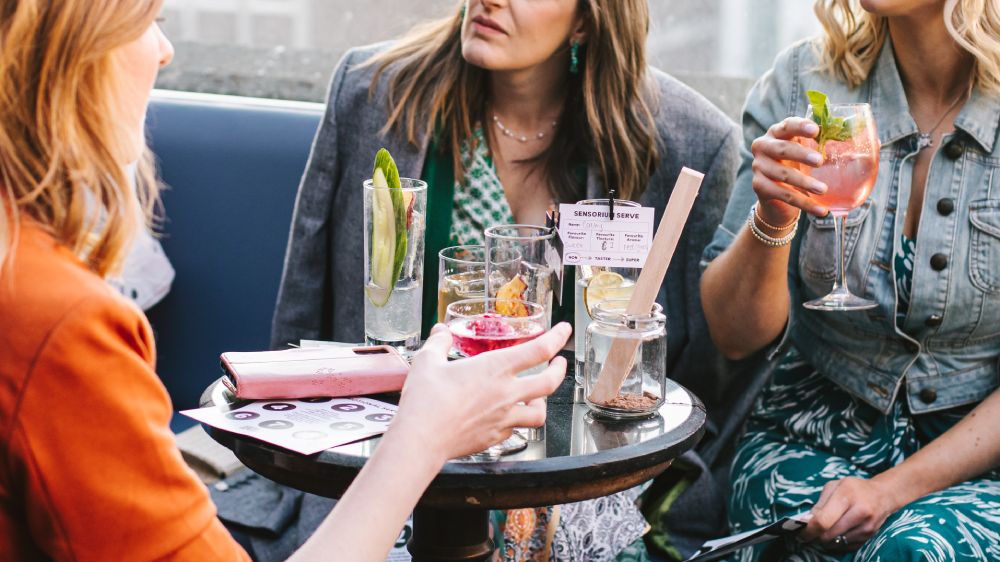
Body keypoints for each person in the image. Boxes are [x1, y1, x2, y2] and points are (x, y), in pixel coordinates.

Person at [0, 1, 571, 561]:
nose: (166, 51)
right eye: (152, 21)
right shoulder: (61, 325)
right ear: (73, 51)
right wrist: (424, 435)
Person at [271, 0, 743, 559]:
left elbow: (701, 383)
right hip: (391, 464)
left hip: (585, 483)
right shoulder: (372, 92)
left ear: (590, 18)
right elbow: (299, 319)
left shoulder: (689, 141)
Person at [700, 0, 1000, 559]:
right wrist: (773, 218)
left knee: (910, 549)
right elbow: (734, 335)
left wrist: (890, 491)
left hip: (975, 453)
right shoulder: (802, 84)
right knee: (798, 531)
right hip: (812, 428)